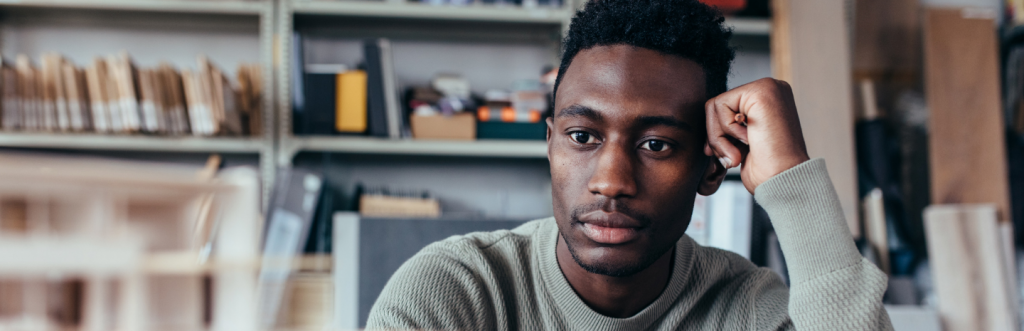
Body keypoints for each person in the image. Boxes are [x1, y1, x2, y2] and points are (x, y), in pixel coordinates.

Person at [366, 0, 892, 329]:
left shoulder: (749, 312)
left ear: (712, 168)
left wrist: (791, 184)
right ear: (550, 146)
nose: (611, 182)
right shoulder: (456, 294)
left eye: (657, 145)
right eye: (582, 136)